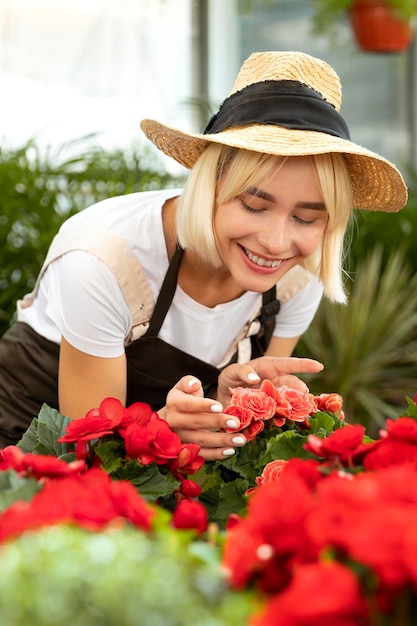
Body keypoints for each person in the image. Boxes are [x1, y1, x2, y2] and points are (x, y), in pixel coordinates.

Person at [0, 50, 407, 458]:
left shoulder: (298, 279)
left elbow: (237, 441)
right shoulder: (103, 259)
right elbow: (89, 455)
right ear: (208, 186)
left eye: (306, 218)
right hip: (23, 449)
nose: (277, 243)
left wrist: (226, 398)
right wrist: (164, 430)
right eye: (253, 206)